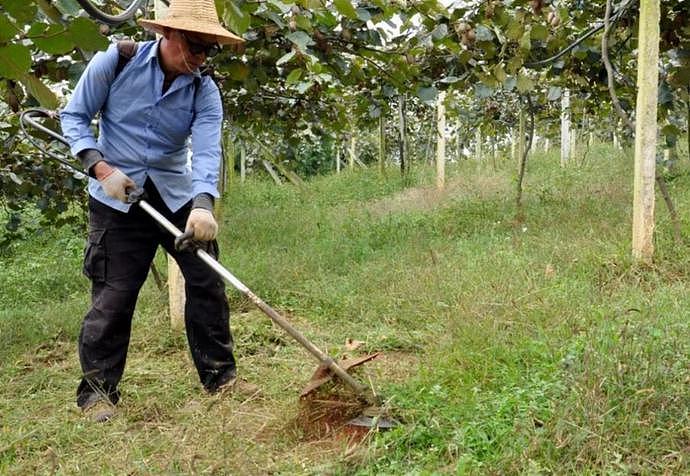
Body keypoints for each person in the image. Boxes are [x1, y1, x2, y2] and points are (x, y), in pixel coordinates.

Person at [61, 0, 245, 422]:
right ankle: (97, 394)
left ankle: (221, 378)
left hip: (173, 193)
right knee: (114, 294)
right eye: (195, 47)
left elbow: (206, 151)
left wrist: (202, 206)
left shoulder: (204, 88)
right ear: (169, 35)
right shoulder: (118, 61)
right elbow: (73, 116)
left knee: (207, 281)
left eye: (208, 50)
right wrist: (100, 165)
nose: (200, 58)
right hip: (116, 195)